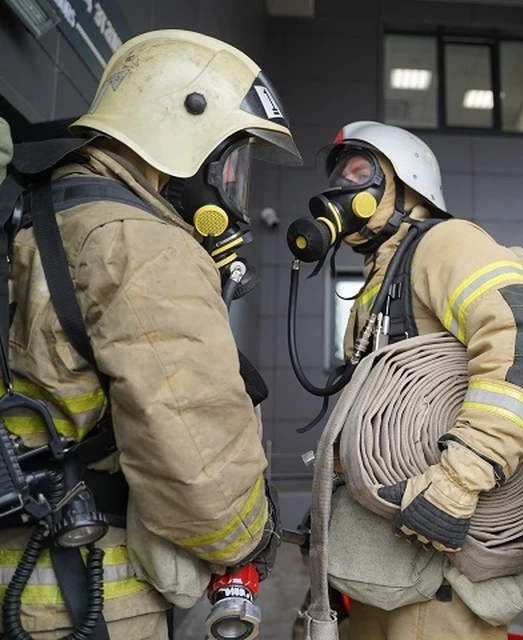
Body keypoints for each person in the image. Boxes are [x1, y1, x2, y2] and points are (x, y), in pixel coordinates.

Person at [0, 29, 301, 639]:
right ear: (179, 135)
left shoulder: (39, 209)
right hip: (85, 591)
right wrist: (248, 537)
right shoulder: (145, 244)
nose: (233, 195)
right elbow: (195, 446)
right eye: (230, 161)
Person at [301, 120, 523, 640]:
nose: (342, 186)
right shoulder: (383, 276)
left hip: (441, 576)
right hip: (387, 565)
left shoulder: (445, 243)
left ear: (408, 186)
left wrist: (457, 482)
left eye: (361, 173)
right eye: (340, 174)